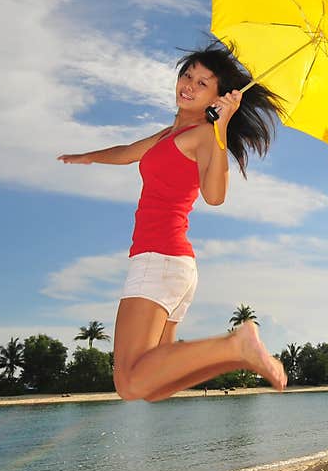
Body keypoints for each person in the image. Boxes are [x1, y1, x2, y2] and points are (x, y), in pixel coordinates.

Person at [58, 41, 287, 402]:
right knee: (152, 387)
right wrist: (88, 156)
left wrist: (222, 126)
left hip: (159, 258)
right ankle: (236, 352)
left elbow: (214, 195)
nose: (188, 85)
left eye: (202, 83)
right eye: (187, 75)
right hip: (173, 266)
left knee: (130, 382)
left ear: (217, 97)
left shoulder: (203, 136)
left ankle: (236, 345)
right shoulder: (169, 135)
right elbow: (129, 152)